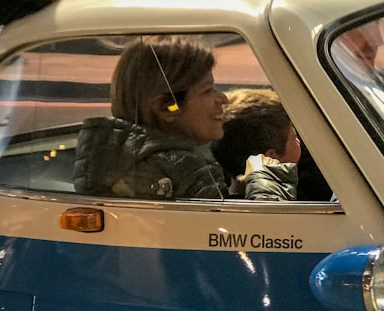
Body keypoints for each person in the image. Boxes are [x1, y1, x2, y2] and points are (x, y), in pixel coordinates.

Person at [75, 36, 297, 201]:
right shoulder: (180, 169)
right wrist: (267, 178)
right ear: (167, 107)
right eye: (207, 90)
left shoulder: (126, 162)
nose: (223, 99)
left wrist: (235, 195)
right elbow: (250, 243)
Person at [212, 88, 303, 200]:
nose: (299, 142)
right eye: (294, 138)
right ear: (271, 156)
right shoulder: (279, 201)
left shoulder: (217, 200)